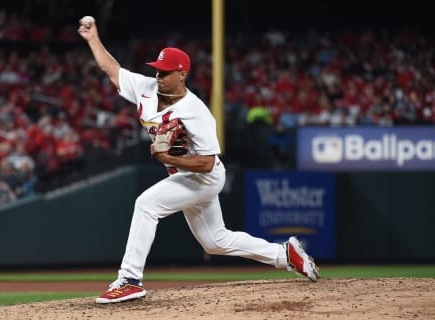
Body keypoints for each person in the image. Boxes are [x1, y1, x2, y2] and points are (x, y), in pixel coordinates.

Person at [78, 17, 319, 304]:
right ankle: (285, 254)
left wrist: (167, 157)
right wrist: (93, 39)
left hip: (204, 176)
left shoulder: (196, 111)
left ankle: (130, 279)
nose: (159, 77)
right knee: (215, 241)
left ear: (182, 75)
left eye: (166, 73)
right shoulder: (146, 89)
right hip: (183, 175)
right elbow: (112, 70)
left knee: (146, 204)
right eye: (158, 70)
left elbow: (206, 163)